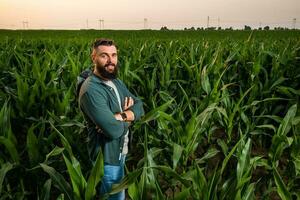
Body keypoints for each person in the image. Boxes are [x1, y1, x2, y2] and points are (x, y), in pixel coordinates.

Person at [77, 38, 144, 199]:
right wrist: (129, 118)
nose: (110, 61)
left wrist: (120, 116)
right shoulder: (91, 90)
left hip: (120, 152)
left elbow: (140, 106)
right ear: (93, 58)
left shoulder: (115, 81)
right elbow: (113, 131)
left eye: (113, 55)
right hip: (107, 160)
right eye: (104, 56)